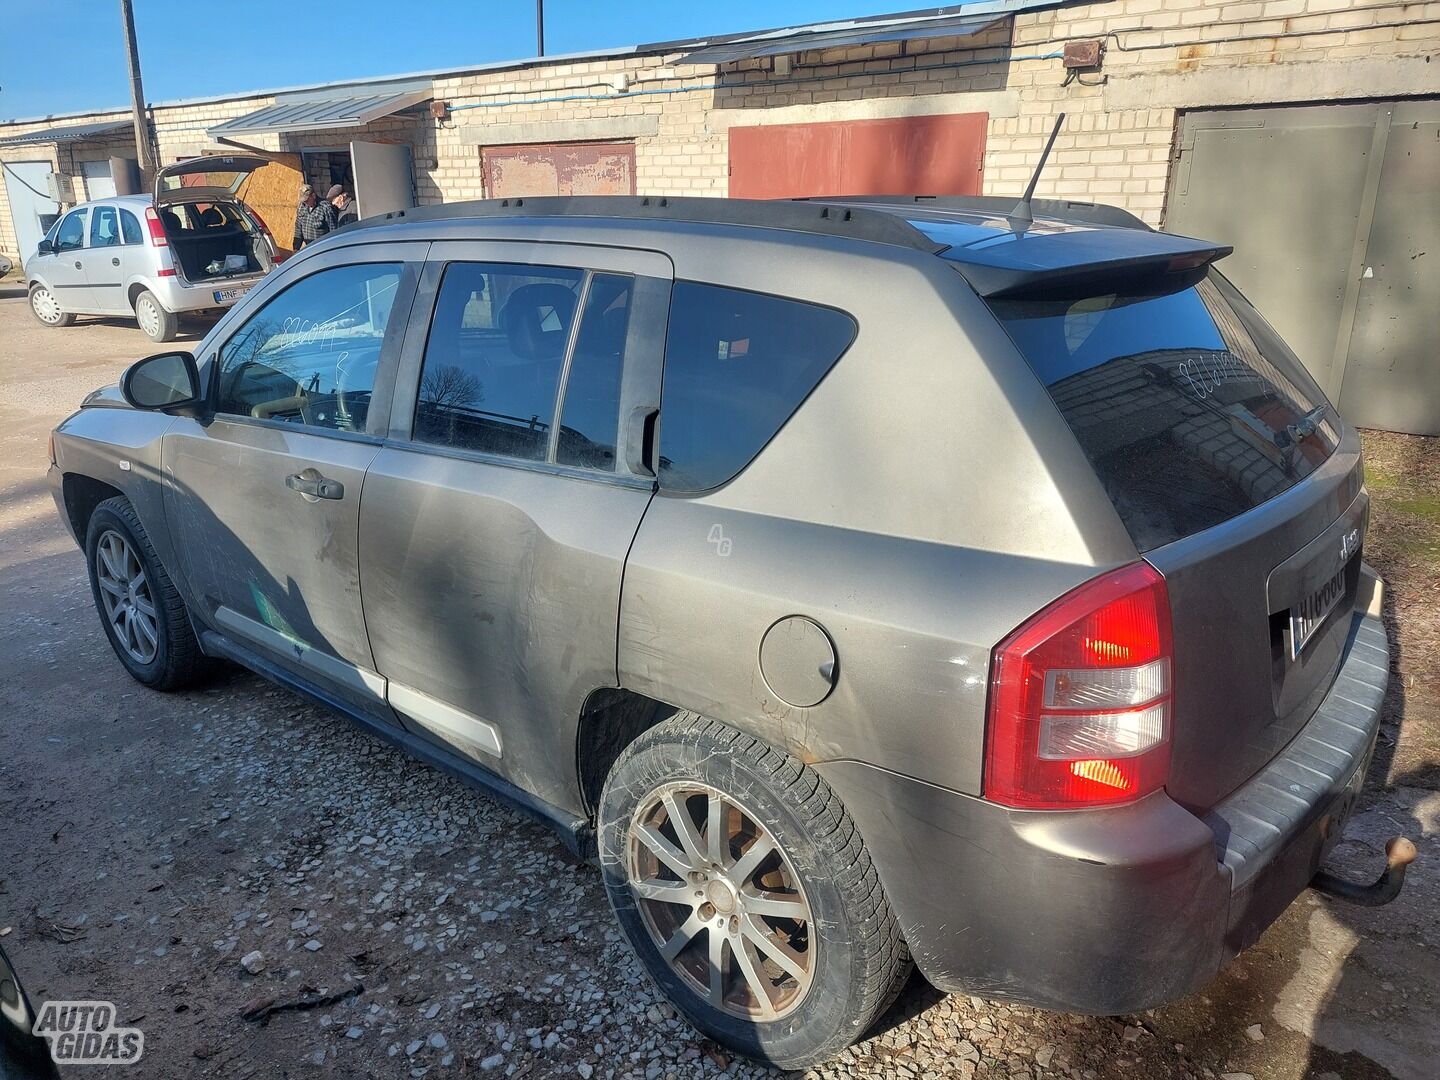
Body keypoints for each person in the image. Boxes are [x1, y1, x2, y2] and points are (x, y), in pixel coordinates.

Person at [292, 183, 338, 249]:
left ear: (313, 196)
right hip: (308, 248)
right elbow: (298, 228)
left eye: (307, 200)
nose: (305, 203)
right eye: (303, 201)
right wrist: (296, 248)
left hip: (322, 248)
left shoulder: (325, 207)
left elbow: (334, 230)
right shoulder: (301, 207)